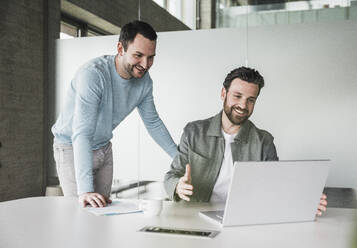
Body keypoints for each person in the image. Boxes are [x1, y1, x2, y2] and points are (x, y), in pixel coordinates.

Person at [164, 66, 327, 216]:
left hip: (245, 218)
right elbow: (172, 176)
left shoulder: (264, 141)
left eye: (251, 100)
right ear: (223, 94)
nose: (243, 105)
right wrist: (178, 186)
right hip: (197, 217)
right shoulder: (193, 132)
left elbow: (276, 185)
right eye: (237, 96)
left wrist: (304, 200)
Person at [52, 20, 177, 208]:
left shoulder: (144, 82)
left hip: (103, 147)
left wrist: (179, 157)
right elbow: (82, 133)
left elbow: (153, 123)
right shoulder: (93, 75)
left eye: (151, 57)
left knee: (104, 212)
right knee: (81, 211)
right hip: (72, 147)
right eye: (138, 55)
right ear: (120, 48)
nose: (145, 64)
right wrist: (85, 190)